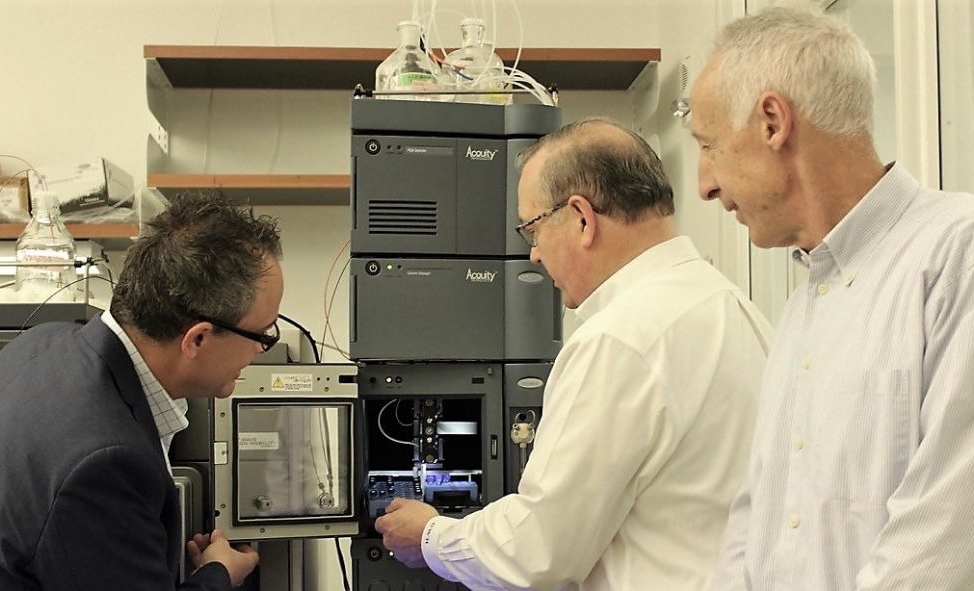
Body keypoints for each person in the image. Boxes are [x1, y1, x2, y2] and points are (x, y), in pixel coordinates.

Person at [375, 118, 772, 590]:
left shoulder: (619, 339)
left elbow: (538, 554)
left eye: (532, 230)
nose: (534, 256)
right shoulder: (739, 310)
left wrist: (431, 536)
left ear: (582, 218)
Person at [691, 5, 974, 590]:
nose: (704, 184)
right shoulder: (806, 303)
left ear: (773, 122)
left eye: (710, 145)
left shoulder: (955, 254)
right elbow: (758, 520)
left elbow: (941, 544)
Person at [0, 193, 282, 590]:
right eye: (261, 334)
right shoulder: (105, 462)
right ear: (197, 340)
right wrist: (218, 574)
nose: (261, 349)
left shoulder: (39, 344)